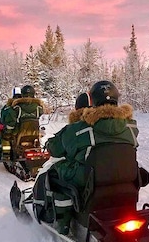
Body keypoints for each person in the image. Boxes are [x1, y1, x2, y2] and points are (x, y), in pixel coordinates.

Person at [44, 81, 138, 234]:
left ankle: (63, 224)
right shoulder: (131, 127)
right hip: (125, 179)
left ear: (93, 100)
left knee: (55, 174)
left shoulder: (81, 128)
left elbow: (56, 149)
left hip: (90, 179)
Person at [32, 92, 92, 226]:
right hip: (113, 175)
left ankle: (62, 223)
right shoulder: (119, 127)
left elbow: (56, 148)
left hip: (87, 176)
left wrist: (49, 144)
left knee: (53, 176)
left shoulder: (76, 128)